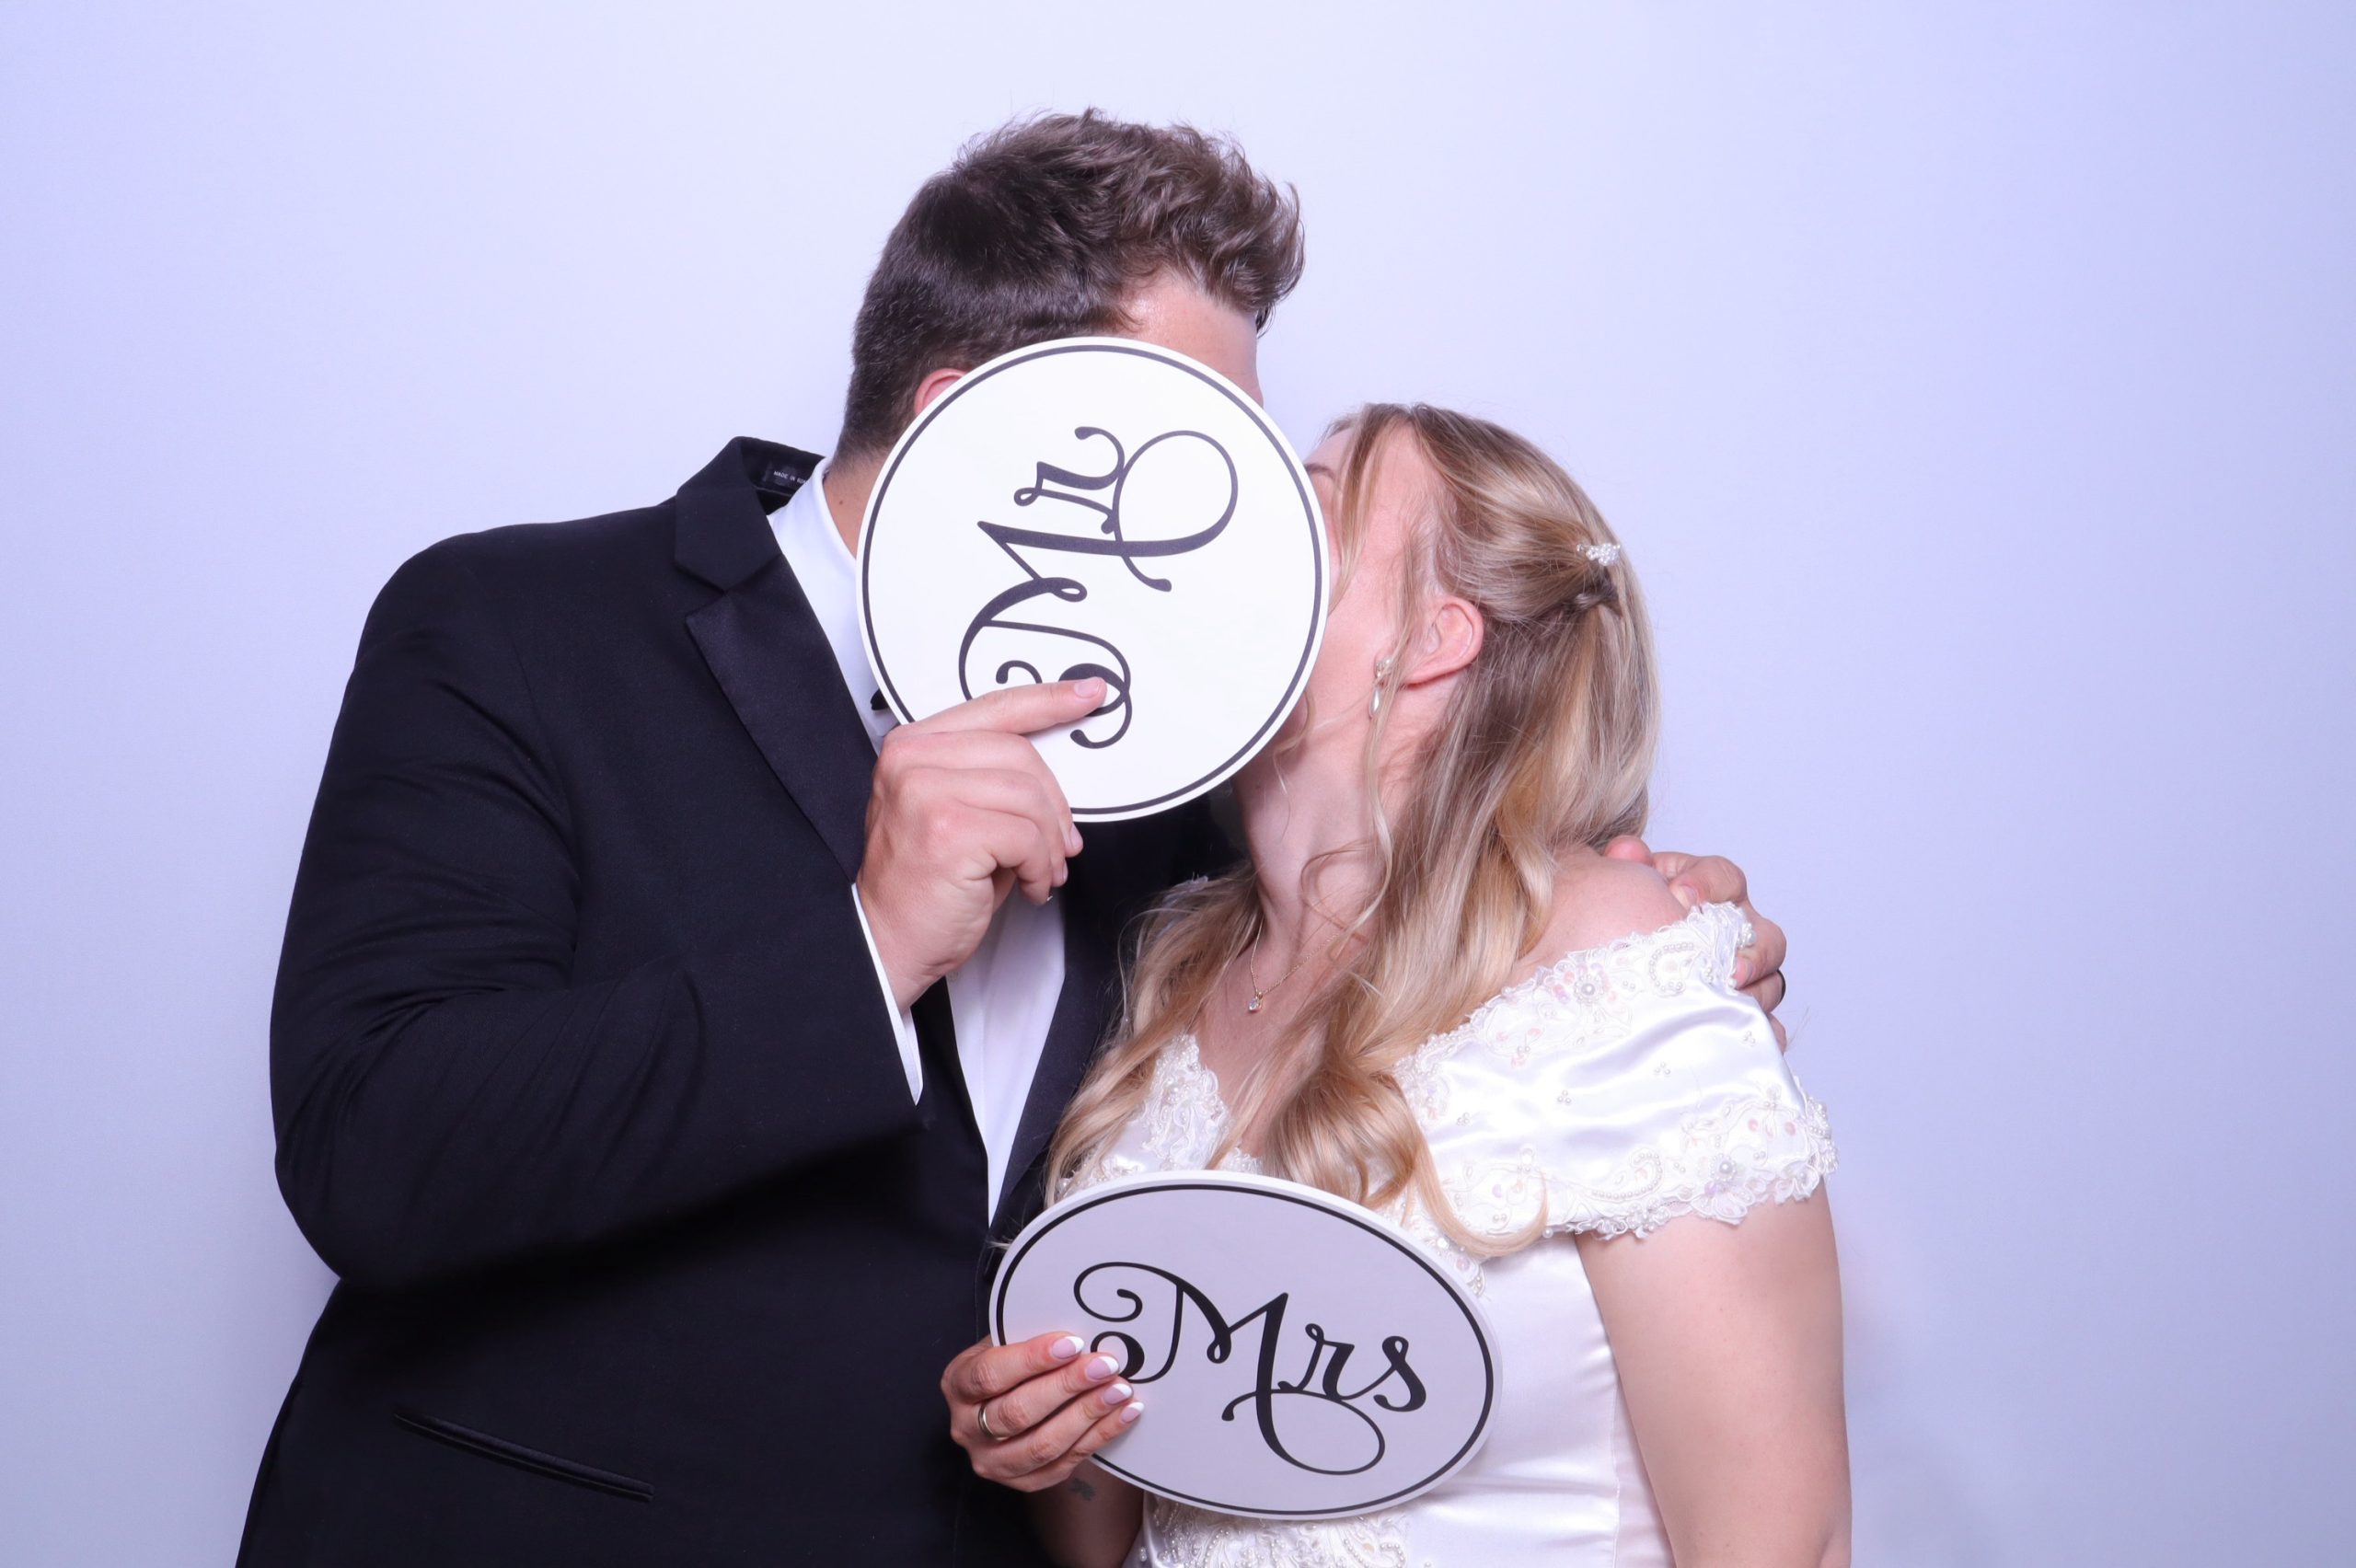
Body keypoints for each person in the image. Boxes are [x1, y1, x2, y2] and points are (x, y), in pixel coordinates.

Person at [238, 111, 1791, 1566]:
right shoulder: (523, 627)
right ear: (968, 420)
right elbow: (374, 1149)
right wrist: (866, 945)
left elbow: (1397, 938)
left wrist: (1617, 923)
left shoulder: (1196, 775)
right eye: (1194, 451)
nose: (1243, 534)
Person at [942, 405, 1841, 1567]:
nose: (1232, 533)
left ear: (1430, 638)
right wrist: (1043, 1434)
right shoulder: (1173, 969)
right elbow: (1117, 1535)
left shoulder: (1613, 961)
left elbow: (1782, 1540)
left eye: (1305, 512)